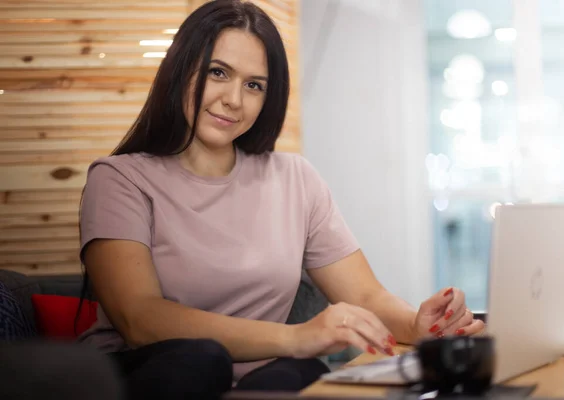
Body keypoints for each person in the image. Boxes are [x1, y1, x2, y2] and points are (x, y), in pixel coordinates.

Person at [76, 0, 485, 399]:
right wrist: (297, 337)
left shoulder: (295, 178)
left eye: (254, 85)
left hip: (265, 375)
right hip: (152, 374)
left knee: (305, 372)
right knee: (202, 361)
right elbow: (140, 318)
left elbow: (364, 296)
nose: (234, 100)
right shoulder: (119, 179)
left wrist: (419, 325)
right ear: (181, 70)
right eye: (218, 73)